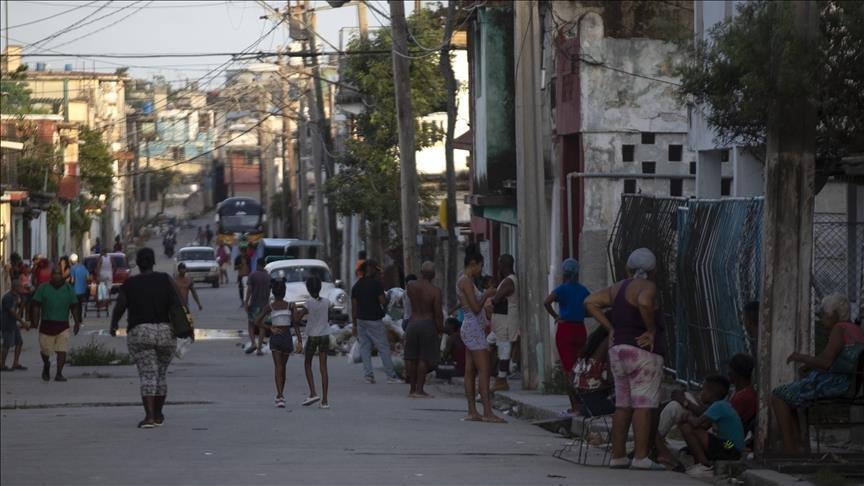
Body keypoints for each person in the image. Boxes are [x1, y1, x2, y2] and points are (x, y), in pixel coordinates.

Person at [584, 248, 665, 470]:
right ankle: (640, 457)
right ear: (654, 270)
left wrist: (610, 328)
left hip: (618, 351)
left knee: (622, 406)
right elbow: (645, 302)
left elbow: (590, 302)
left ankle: (618, 456)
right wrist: (650, 329)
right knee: (643, 405)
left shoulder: (618, 288)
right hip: (642, 353)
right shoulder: (648, 286)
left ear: (628, 268)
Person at [772, 293, 864, 454]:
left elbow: (825, 362)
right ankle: (801, 446)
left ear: (834, 314)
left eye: (824, 315)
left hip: (836, 384)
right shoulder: (855, 329)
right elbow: (833, 360)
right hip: (847, 383)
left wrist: (799, 357)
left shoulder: (839, 329)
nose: (822, 320)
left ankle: (789, 450)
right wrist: (809, 365)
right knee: (792, 396)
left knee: (778, 396)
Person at [110, 247, 190, 428]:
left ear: (137, 263)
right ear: (154, 262)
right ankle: (159, 414)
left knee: (148, 375)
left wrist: (114, 325)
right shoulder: (166, 280)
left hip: (141, 333)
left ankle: (149, 417)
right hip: (165, 333)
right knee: (161, 374)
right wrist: (186, 328)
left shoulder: (130, 284)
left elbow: (120, 306)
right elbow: (180, 304)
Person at [456, 247, 504, 423]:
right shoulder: (466, 281)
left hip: (472, 327)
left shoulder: (465, 280)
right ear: (473, 264)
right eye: (480, 267)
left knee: (470, 370)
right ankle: (487, 412)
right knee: (484, 370)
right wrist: (487, 294)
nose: (480, 271)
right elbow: (476, 308)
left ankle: (472, 411)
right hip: (473, 327)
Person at [543, 258, 590, 412]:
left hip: (565, 330)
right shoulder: (583, 290)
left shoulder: (561, 290)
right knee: (580, 367)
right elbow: (590, 306)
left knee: (568, 369)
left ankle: (574, 405)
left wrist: (556, 316)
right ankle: (583, 402)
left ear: (565, 273)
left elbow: (546, 302)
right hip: (580, 329)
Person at [680, 375, 745, 479]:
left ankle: (704, 465)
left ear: (711, 392)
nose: (701, 394)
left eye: (703, 390)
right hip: (732, 447)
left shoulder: (718, 406)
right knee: (690, 430)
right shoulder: (722, 405)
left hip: (730, 447)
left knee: (686, 427)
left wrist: (687, 417)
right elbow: (704, 426)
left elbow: (696, 424)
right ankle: (700, 464)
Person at [351, 259, 401, 384]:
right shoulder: (376, 285)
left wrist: (354, 324)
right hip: (374, 320)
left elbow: (354, 307)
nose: (378, 273)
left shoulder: (356, 286)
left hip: (361, 320)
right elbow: (383, 301)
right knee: (383, 347)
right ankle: (391, 376)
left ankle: (368, 376)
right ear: (371, 269)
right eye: (376, 270)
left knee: (365, 347)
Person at [254, 279, 301, 409]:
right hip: (286, 338)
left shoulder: (270, 307)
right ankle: (280, 395)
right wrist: (300, 341)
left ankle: (280, 396)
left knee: (278, 367)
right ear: (285, 292)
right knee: (282, 368)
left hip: (275, 338)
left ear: (273, 293)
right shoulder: (291, 306)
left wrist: (270, 328)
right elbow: (296, 324)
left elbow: (257, 321)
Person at [31, 268, 82, 382]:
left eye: (58, 274)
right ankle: (46, 364)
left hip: (62, 325)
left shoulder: (69, 288)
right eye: (54, 274)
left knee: (62, 350)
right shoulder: (43, 288)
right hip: (46, 325)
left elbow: (74, 306)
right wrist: (35, 320)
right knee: (45, 351)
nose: (56, 276)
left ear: (62, 275)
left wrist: (77, 322)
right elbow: (36, 305)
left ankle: (59, 373)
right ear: (51, 276)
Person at [404, 262, 444, 398]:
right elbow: (438, 313)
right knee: (423, 358)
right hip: (427, 323)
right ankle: (419, 390)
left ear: (421, 272)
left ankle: (411, 389)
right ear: (433, 275)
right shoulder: (435, 291)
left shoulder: (411, 286)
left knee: (411, 357)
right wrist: (440, 329)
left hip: (413, 322)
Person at [295, 276, 331, 408]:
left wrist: (297, 317)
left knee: (307, 363)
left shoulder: (308, 303)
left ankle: (313, 392)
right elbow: (329, 316)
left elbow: (298, 318)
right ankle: (325, 400)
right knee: (324, 367)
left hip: (313, 336)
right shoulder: (327, 302)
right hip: (325, 335)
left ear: (309, 289)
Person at [490, 254, 518, 392]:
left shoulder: (508, 281)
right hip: (500, 321)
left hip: (505, 320)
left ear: (503, 264)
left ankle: (501, 379)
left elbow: (496, 299)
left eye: (499, 264)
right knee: (491, 344)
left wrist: (493, 297)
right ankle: (495, 375)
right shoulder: (506, 280)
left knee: (504, 348)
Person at [245, 258, 271, 355]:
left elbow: (249, 290)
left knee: (251, 324)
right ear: (264, 265)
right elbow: (270, 291)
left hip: (254, 305)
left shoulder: (252, 275)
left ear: (257, 265)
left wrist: (246, 302)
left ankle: (253, 343)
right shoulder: (268, 276)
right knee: (262, 326)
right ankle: (259, 348)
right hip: (264, 305)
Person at [1, 281, 29, 371]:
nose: (22, 288)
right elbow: (12, 311)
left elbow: (18, 312)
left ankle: (15, 363)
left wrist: (22, 305)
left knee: (19, 342)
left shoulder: (16, 297)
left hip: (13, 323)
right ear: (15, 287)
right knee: (6, 345)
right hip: (7, 323)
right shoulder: (8, 297)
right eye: (20, 287)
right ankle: (2, 364)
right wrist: (22, 323)